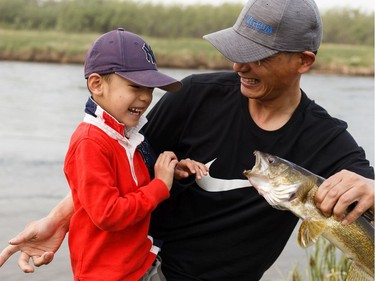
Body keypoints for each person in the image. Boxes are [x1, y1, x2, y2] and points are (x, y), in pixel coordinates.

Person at [0, 0, 374, 280]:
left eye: (257, 57)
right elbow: (122, 166)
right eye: (237, 52)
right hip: (148, 269)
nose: (238, 66)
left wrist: (372, 187)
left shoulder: (325, 138)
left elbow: (367, 199)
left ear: (303, 62)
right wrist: (57, 221)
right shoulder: (196, 95)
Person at [22, 28, 208, 281]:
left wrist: (169, 173)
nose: (145, 98)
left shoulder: (126, 134)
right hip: (109, 275)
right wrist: (159, 186)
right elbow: (108, 214)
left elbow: (132, 187)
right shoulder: (90, 142)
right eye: (135, 87)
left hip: (141, 262)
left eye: (150, 89)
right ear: (97, 84)